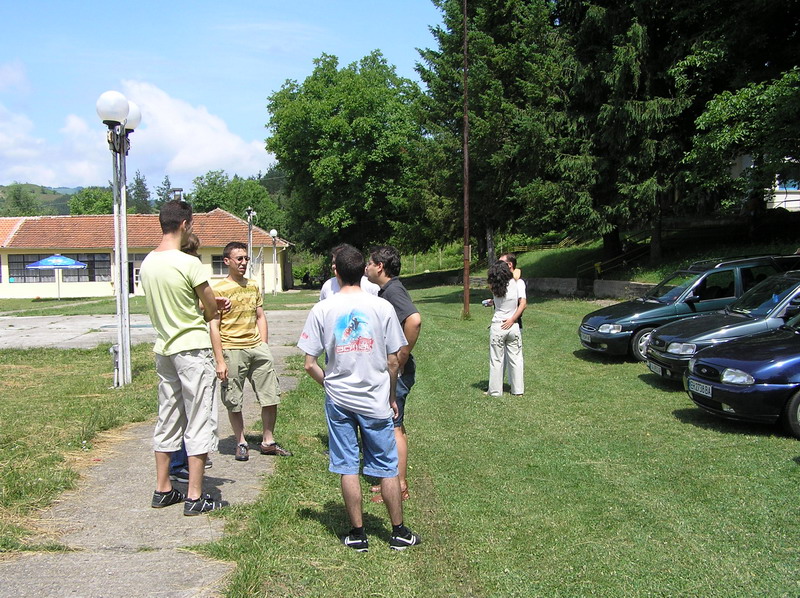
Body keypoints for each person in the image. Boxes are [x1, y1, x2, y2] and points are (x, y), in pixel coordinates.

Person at [298, 244, 421, 551]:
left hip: (339, 400)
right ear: (361, 271)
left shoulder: (322, 309)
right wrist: (391, 396)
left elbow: (309, 363)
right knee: (387, 466)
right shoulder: (381, 307)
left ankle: (358, 534)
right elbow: (393, 360)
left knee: (348, 465)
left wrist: (329, 385)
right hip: (375, 398)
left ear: (336, 272)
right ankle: (398, 532)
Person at [139, 200, 229, 516]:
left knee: (168, 417)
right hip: (192, 348)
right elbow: (210, 309)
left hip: (164, 347)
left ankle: (163, 488)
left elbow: (174, 301)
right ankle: (194, 495)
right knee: (199, 417)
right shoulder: (189, 263)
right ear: (185, 224)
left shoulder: (148, 263)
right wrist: (214, 305)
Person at [213, 241, 292, 461]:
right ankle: (241, 442)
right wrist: (220, 359)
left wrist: (263, 345)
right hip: (232, 349)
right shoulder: (218, 289)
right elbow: (214, 325)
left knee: (270, 395)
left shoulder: (253, 285)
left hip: (256, 347)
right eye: (239, 259)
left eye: (246, 258)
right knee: (233, 399)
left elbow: (260, 316)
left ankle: (268, 441)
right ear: (227, 261)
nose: (244, 262)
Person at [365, 245, 420, 504]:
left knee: (394, 426)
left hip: (397, 371)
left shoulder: (393, 291)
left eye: (369, 263)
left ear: (380, 267)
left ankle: (399, 486)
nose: (366, 268)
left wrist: (403, 354)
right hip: (391, 370)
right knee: (393, 424)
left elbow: (414, 320)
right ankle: (392, 480)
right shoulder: (387, 290)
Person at [486, 260, 524, 397]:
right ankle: (518, 390)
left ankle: (495, 391)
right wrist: (512, 319)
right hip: (513, 325)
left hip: (498, 325)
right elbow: (517, 273)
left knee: (496, 360)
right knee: (516, 359)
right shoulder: (516, 283)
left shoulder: (494, 287)